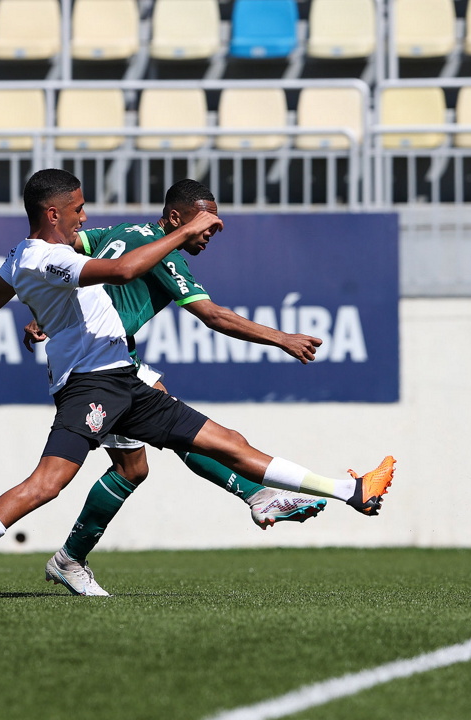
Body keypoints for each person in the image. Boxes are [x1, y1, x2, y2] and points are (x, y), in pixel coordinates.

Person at [0, 168, 395, 603]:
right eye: (79, 209)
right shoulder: (50, 258)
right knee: (47, 484)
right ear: (54, 213)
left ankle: (347, 490)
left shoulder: (36, 252)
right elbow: (125, 272)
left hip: (124, 377)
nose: (86, 217)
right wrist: (182, 236)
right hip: (91, 386)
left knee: (221, 443)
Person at [23, 179, 330, 596]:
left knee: (134, 467)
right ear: (175, 218)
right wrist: (282, 338)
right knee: (154, 446)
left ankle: (70, 559)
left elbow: (61, 249)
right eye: (204, 223)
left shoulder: (121, 231)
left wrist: (48, 313)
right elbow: (214, 316)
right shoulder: (165, 257)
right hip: (98, 367)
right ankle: (257, 496)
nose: (210, 232)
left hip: (111, 357)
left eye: (215, 225)